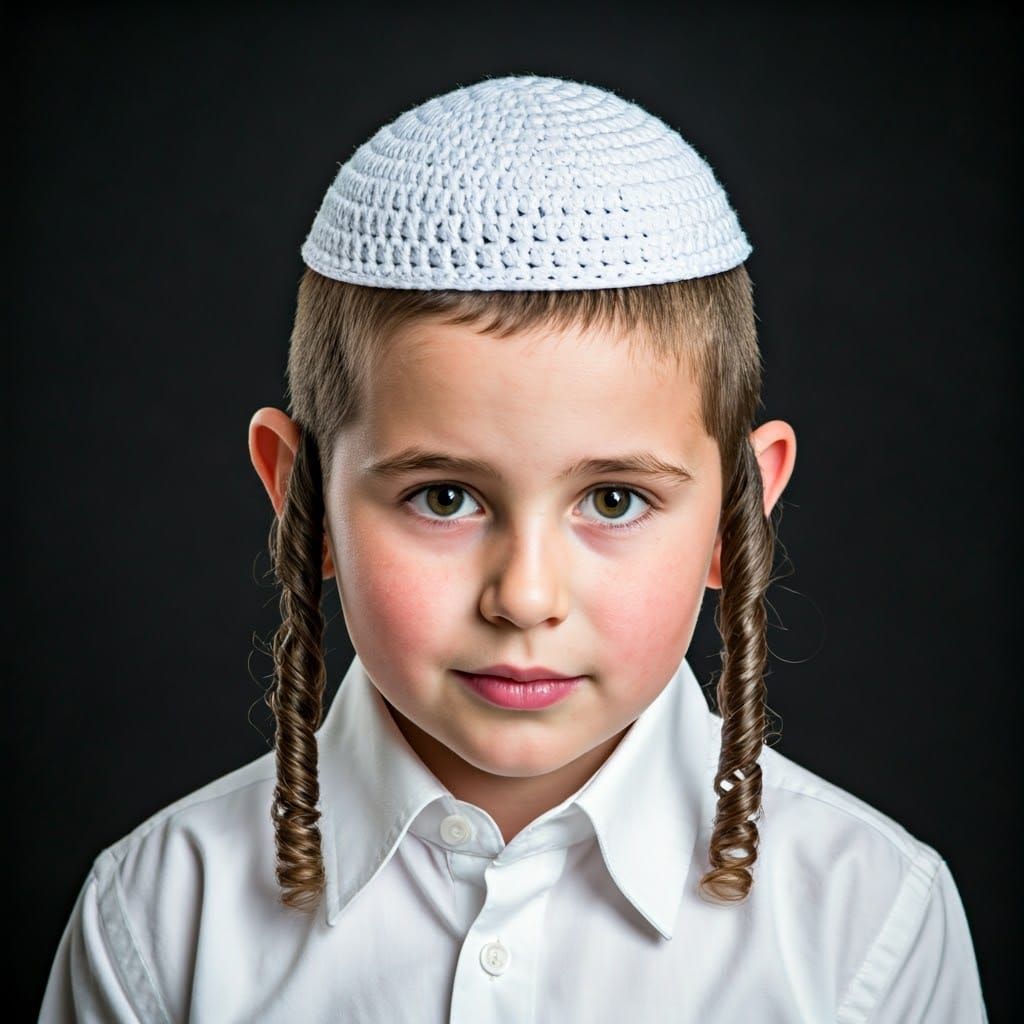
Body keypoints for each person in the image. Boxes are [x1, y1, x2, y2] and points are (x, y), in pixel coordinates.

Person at [39, 74, 988, 1023]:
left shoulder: (873, 927)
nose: (525, 598)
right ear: (302, 501)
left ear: (738, 515)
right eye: (443, 497)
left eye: (613, 500)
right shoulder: (158, 924)